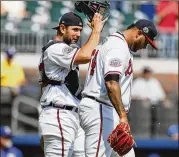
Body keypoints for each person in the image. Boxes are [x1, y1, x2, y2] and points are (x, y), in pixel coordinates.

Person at [78, 19, 158, 157]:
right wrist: (123, 116)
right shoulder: (117, 47)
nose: (144, 47)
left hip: (106, 109)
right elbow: (111, 83)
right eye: (145, 42)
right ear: (138, 33)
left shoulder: (115, 43)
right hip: (100, 109)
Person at [38, 11, 107, 157]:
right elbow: (85, 55)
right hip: (59, 114)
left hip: (70, 115)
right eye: (74, 29)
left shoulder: (66, 49)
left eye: (80, 30)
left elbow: (89, 52)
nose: (78, 34)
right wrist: (95, 31)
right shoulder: (54, 48)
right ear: (62, 28)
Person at [131, 67, 166, 138]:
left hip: (154, 105)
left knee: (155, 119)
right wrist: (141, 98)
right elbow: (132, 95)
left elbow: (161, 95)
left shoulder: (154, 82)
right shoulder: (138, 82)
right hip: (141, 106)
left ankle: (153, 135)